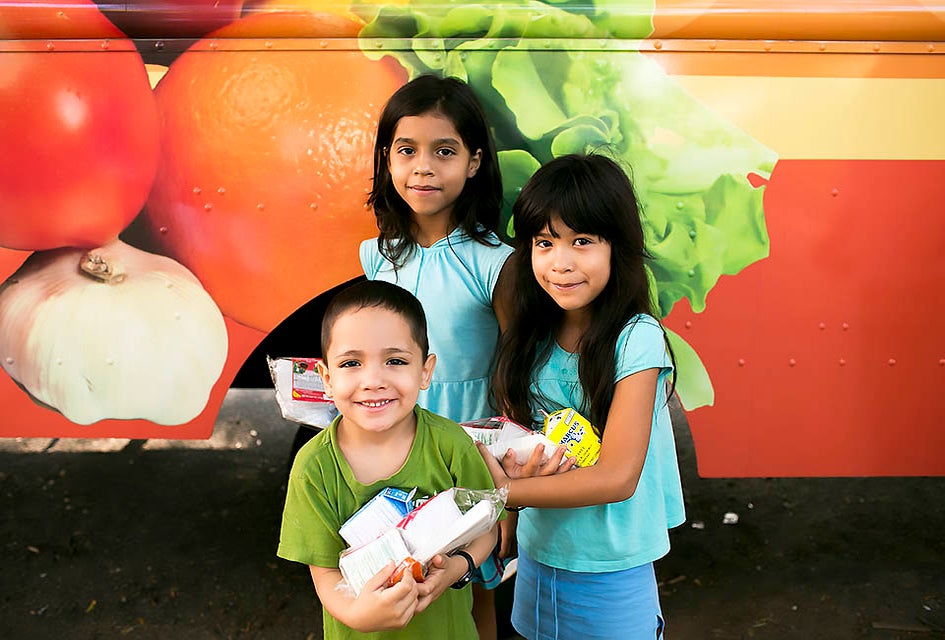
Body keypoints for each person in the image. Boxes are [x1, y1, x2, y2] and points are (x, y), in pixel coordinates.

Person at [481, 153, 686, 640]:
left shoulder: (637, 338)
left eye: (583, 242)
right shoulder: (530, 337)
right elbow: (520, 442)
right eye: (545, 243)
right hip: (537, 555)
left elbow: (616, 477)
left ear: (617, 247)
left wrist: (501, 494)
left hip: (613, 568)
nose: (561, 263)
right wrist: (509, 514)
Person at [360, 74, 515, 639]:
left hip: (471, 452)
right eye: (407, 151)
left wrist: (508, 491)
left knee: (473, 586)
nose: (423, 167)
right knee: (403, 581)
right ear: (387, 159)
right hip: (397, 447)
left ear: (474, 162)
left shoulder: (494, 261)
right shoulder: (376, 256)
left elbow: (515, 368)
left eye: (444, 152)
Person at [277, 280, 500, 639]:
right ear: (327, 379)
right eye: (352, 363)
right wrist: (358, 614)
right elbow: (325, 575)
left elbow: (487, 526)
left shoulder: (451, 445)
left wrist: (458, 567)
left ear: (425, 371)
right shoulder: (314, 466)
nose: (373, 380)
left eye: (395, 361)